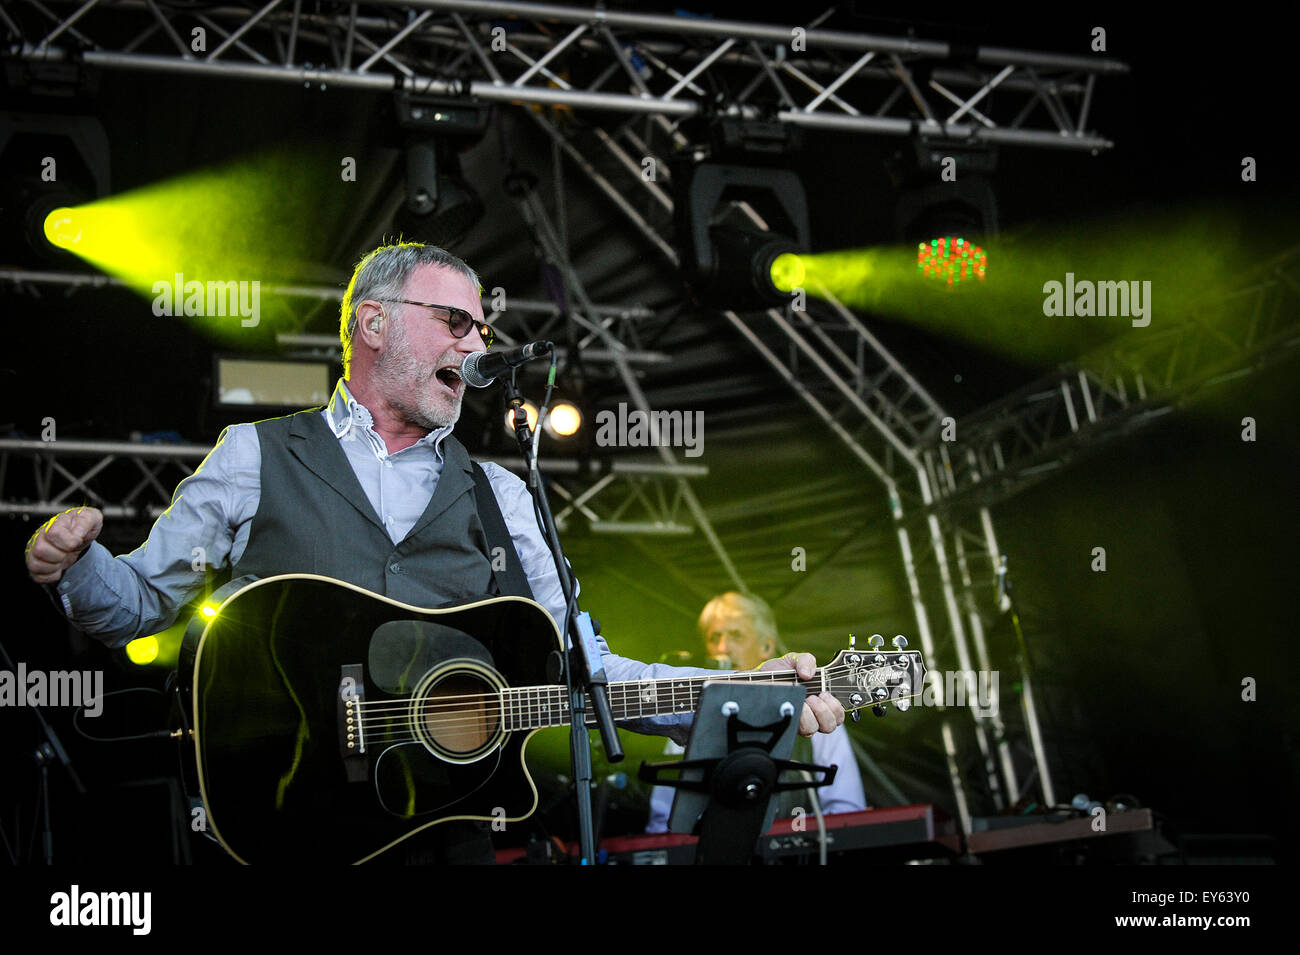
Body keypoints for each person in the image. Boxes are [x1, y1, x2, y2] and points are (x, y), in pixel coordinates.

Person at [23, 242, 846, 862]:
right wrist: (75, 566)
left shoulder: (504, 493)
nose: (472, 344)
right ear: (373, 322)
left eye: (482, 328)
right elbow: (133, 604)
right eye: (454, 321)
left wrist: (748, 693)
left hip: (447, 841)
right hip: (285, 828)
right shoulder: (255, 454)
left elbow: (589, 677)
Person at [647, 591, 867, 834]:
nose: (722, 648)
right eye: (714, 638)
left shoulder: (813, 711)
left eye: (736, 636)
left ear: (766, 646)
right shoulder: (689, 717)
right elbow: (662, 824)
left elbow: (847, 811)